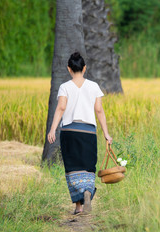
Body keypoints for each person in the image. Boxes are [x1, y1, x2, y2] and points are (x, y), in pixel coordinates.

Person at [47, 52, 113, 215]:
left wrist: (53, 128)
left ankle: (78, 206)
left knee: (72, 167)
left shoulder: (65, 87)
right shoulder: (94, 86)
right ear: (84, 68)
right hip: (88, 131)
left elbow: (61, 108)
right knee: (88, 166)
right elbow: (99, 110)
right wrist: (106, 133)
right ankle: (88, 192)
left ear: (69, 69)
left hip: (69, 131)